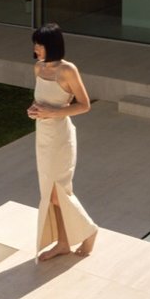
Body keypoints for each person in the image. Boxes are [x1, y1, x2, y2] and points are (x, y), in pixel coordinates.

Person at [29, 23, 98, 262]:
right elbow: (41, 100)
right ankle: (63, 243)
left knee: (59, 192)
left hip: (60, 137)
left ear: (52, 45)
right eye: (35, 45)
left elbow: (84, 105)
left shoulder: (68, 70)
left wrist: (53, 112)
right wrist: (34, 110)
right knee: (49, 193)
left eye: (39, 45)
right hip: (42, 135)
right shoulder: (38, 68)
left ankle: (89, 231)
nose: (36, 49)